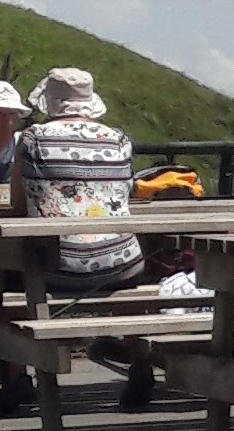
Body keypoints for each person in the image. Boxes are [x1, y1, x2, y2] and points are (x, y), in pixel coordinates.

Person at [14, 65, 145, 299]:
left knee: (1, 263)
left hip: (58, 270)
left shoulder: (33, 139)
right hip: (123, 266)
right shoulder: (118, 140)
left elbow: (18, 206)